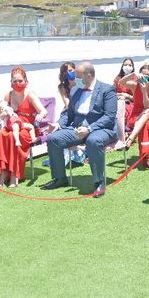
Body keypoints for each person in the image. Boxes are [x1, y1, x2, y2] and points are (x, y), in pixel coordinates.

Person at [42, 62, 117, 197]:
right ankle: (60, 178)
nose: (74, 79)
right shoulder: (76, 91)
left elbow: (109, 117)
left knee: (93, 141)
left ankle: (99, 182)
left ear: (88, 75)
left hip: (101, 128)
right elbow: (68, 114)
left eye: (77, 76)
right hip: (77, 128)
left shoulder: (107, 90)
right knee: (53, 139)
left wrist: (89, 128)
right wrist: (58, 125)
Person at [0, 66, 48, 187]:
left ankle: (14, 174)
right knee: (2, 135)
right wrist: (1, 111)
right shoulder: (9, 94)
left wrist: (40, 116)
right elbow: (1, 112)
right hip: (13, 123)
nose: (17, 83)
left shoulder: (30, 94)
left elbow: (44, 111)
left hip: (28, 127)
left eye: (20, 81)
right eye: (14, 81)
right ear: (11, 82)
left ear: (25, 81)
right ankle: (3, 172)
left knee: (13, 137)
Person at [119, 64, 149, 168]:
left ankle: (130, 139)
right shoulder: (135, 85)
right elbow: (121, 82)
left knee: (146, 112)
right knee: (145, 125)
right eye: (142, 75)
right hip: (137, 116)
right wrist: (133, 74)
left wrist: (144, 92)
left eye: (147, 76)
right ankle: (147, 156)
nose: (144, 78)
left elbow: (148, 105)